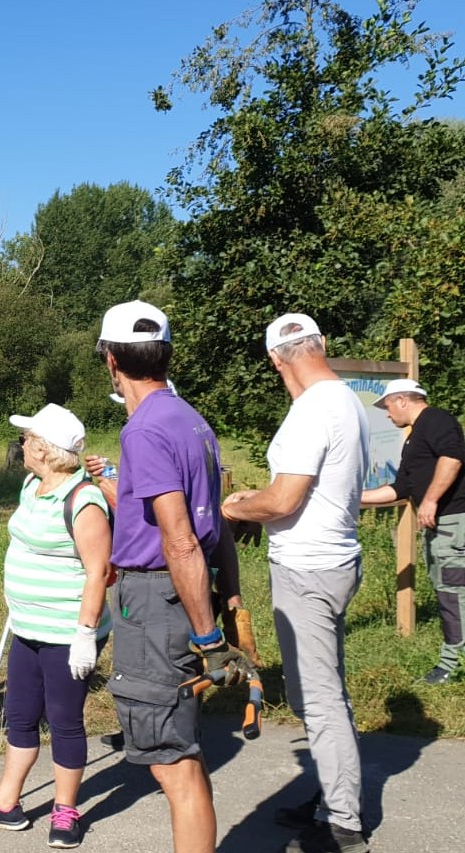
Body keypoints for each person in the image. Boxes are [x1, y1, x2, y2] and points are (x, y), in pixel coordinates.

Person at [95, 300, 251, 853]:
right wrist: (231, 601)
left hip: (157, 599)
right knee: (182, 751)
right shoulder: (190, 418)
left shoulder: (144, 429)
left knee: (172, 763)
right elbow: (218, 529)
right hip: (182, 590)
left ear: (111, 360)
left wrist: (209, 638)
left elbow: (180, 537)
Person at [223, 313, 369, 853]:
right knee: (320, 691)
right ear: (322, 345)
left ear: (274, 358)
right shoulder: (347, 401)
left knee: (321, 699)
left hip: (308, 568)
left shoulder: (311, 411)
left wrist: (236, 506)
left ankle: (344, 821)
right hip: (334, 558)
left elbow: (284, 500)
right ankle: (332, 791)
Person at [0, 405, 111, 848]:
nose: (22, 443)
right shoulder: (31, 485)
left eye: (27, 438)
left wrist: (85, 635)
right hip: (26, 627)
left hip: (66, 634)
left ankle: (65, 812)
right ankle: (7, 803)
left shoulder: (84, 501)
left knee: (64, 721)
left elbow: (98, 570)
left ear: (43, 448)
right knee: (21, 717)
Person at [361, 379, 465, 685]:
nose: (388, 414)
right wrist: (354, 497)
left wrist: (430, 500)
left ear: (403, 400)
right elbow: (401, 488)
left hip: (451, 523)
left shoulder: (436, 420)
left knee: (452, 593)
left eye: (388, 407)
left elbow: (453, 456)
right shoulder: (415, 435)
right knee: (449, 589)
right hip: (441, 527)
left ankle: (452, 665)